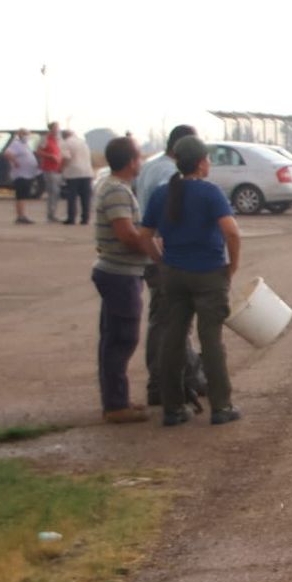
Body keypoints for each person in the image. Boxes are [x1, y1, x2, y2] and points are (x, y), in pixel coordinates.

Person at [140, 135, 242, 426]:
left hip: (174, 275)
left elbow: (144, 235)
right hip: (208, 273)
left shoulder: (163, 194)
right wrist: (231, 266)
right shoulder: (210, 193)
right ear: (200, 163)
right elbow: (231, 232)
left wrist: (161, 260)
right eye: (207, 159)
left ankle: (173, 408)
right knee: (211, 340)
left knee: (172, 339)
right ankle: (221, 406)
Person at [92, 136, 161, 423]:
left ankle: (116, 400)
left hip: (119, 272)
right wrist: (156, 251)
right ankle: (115, 405)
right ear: (132, 161)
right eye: (139, 158)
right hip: (119, 273)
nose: (141, 162)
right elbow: (127, 235)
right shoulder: (117, 191)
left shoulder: (114, 187)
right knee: (122, 339)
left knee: (114, 338)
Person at [135, 125, 199, 408]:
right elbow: (167, 216)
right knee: (171, 323)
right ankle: (167, 384)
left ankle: (174, 380)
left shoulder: (151, 167)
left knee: (162, 320)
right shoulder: (167, 175)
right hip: (165, 257)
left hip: (153, 255)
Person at [4, 128, 41, 225]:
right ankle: (20, 216)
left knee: (24, 196)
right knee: (20, 196)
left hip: (28, 174)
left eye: (28, 134)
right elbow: (7, 153)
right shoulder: (16, 144)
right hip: (20, 175)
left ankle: (23, 214)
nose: (27, 136)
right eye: (25, 134)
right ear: (20, 135)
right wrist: (15, 162)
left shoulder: (25, 145)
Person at [61, 128, 94, 225]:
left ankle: (71, 218)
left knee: (72, 196)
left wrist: (61, 168)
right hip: (87, 172)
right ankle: (85, 218)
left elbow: (66, 158)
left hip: (73, 173)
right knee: (86, 197)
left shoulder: (66, 143)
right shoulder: (82, 143)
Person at [36, 122, 64, 223]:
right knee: (52, 192)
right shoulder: (45, 139)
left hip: (58, 169)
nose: (57, 129)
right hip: (49, 168)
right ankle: (50, 215)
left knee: (57, 192)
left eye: (58, 127)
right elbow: (38, 151)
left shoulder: (59, 139)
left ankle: (54, 213)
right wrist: (50, 156)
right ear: (51, 129)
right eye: (55, 128)